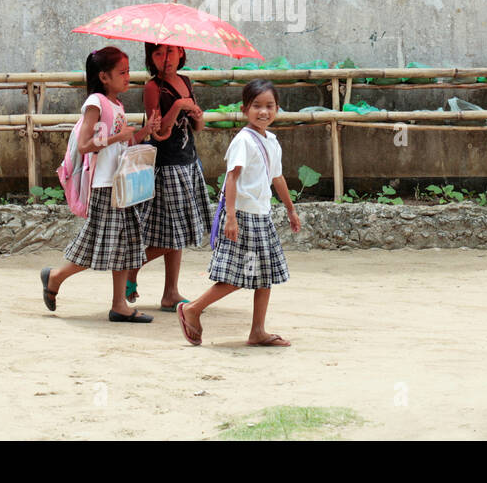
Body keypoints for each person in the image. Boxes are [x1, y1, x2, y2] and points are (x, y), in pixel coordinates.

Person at [177, 79, 301, 347]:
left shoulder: (272, 141)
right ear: (246, 109)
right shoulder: (243, 140)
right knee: (239, 277)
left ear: (277, 109)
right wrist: (231, 217)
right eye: (257, 106)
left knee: (264, 275)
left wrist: (290, 209)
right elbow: (232, 179)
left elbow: (277, 178)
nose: (263, 112)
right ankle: (193, 309)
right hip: (243, 216)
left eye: (269, 106)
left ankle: (258, 331)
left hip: (261, 214)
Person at [40, 46, 160, 322]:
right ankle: (55, 277)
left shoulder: (117, 105)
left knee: (127, 244)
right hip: (104, 186)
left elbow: (126, 141)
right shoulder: (95, 103)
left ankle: (119, 305)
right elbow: (84, 146)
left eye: (128, 71)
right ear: (104, 77)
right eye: (123, 72)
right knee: (97, 244)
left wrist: (144, 131)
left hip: (119, 184)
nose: (128, 76)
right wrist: (119, 137)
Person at [123, 42, 210, 311]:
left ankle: (170, 292)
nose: (165, 59)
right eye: (158, 54)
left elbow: (198, 126)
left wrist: (196, 114)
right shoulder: (152, 88)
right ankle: (131, 268)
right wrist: (177, 107)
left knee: (177, 232)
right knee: (174, 234)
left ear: (182, 52)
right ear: (151, 57)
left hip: (188, 162)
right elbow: (158, 133)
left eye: (171, 52)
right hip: (167, 165)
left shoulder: (185, 81)